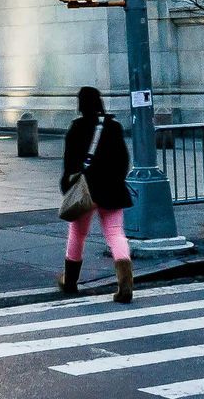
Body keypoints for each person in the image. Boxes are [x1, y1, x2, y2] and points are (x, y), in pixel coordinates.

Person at [59, 87, 134, 304]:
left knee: (77, 233)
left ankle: (70, 282)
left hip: (85, 190)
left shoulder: (76, 128)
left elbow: (69, 162)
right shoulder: (113, 127)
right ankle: (125, 284)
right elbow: (123, 160)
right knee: (115, 234)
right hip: (112, 189)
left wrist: (67, 186)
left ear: (81, 105)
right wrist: (116, 180)